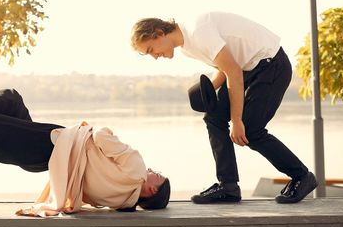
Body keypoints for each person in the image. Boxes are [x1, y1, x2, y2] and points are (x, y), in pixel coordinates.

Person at [130, 11, 318, 204]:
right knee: (213, 118)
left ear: (159, 33)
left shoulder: (198, 32)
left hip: (271, 64)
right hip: (248, 69)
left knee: (250, 131)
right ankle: (228, 187)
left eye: (151, 49)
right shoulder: (187, 46)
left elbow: (233, 72)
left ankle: (302, 176)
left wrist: (237, 121)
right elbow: (226, 67)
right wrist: (210, 89)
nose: (154, 56)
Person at [0, 89, 170, 217]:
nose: (150, 170)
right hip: (45, 162)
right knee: (12, 101)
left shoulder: (137, 170)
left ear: (151, 190)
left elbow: (100, 136)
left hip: (54, 144)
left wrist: (97, 129)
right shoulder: (121, 202)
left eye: (156, 174)